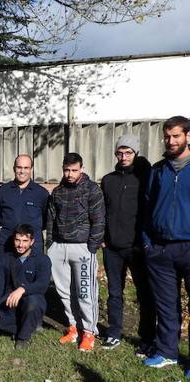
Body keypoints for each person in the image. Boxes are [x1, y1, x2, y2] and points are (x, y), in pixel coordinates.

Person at [142, 116, 190, 371]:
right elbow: (148, 207)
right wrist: (148, 243)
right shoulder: (158, 170)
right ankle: (167, 351)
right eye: (167, 136)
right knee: (166, 305)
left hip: (188, 245)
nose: (171, 141)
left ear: (188, 136)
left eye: (176, 136)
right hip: (160, 249)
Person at [100, 134, 155, 352]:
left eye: (128, 152)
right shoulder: (108, 179)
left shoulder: (144, 178)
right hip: (112, 247)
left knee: (144, 293)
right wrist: (103, 237)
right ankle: (114, 332)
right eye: (120, 153)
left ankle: (147, 337)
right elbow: (102, 211)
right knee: (115, 292)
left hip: (137, 247)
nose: (123, 157)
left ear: (136, 154)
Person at [47, 152, 105, 352]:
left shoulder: (92, 190)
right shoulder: (57, 192)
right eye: (66, 170)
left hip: (82, 248)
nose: (70, 174)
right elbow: (51, 219)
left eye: (74, 170)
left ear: (82, 168)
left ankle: (89, 331)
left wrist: (92, 247)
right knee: (64, 292)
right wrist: (50, 246)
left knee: (85, 292)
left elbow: (98, 220)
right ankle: (73, 327)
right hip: (59, 247)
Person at [0, 224, 51, 349]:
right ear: (13, 240)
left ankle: (23, 337)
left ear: (32, 241)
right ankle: (28, 325)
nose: (20, 245)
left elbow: (42, 284)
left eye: (25, 241)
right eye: (17, 240)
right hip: (10, 301)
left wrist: (23, 289)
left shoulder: (42, 259)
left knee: (33, 303)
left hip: (32, 299)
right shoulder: (4, 259)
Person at [0, 155, 48, 256]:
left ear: (31, 169)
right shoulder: (3, 191)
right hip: (7, 243)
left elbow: (46, 219)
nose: (22, 171)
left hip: (33, 246)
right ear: (14, 168)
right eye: (19, 167)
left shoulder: (41, 193)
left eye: (26, 168)